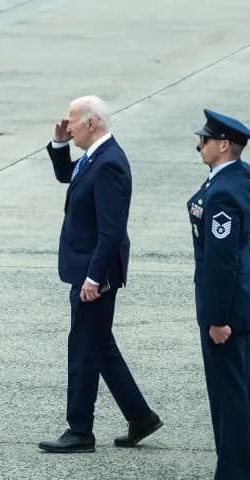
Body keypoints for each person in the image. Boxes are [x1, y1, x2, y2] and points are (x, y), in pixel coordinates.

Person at [38, 95, 162, 454]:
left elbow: (111, 229)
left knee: (82, 347)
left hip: (97, 273)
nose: (69, 126)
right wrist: (60, 144)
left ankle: (80, 430)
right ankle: (140, 416)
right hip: (89, 267)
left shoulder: (109, 164)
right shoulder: (95, 157)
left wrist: (94, 278)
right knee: (99, 344)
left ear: (92, 123)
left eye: (73, 122)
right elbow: (67, 175)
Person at [187, 109, 250, 480]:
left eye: (204, 140)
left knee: (230, 393)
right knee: (237, 389)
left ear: (223, 145)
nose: (198, 145)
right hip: (238, 301)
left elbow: (222, 261)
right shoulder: (239, 177)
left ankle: (234, 477)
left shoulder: (223, 192)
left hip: (226, 309)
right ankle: (236, 469)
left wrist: (217, 318)